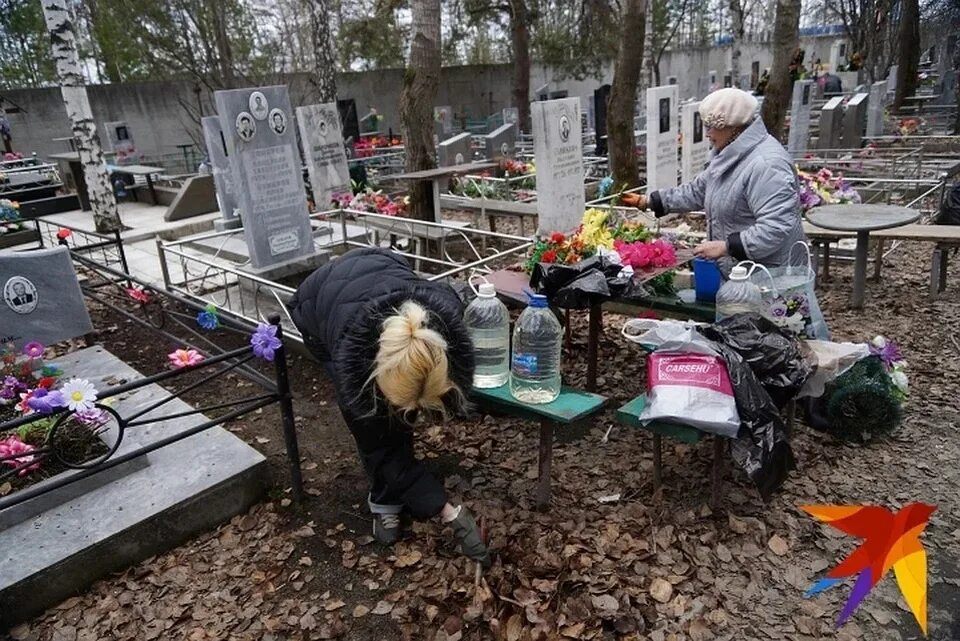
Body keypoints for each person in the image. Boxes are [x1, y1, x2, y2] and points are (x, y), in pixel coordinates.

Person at [289, 247, 491, 567]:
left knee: (395, 419)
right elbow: (381, 450)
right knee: (379, 430)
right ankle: (383, 503)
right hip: (317, 302)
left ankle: (403, 480)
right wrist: (448, 511)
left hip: (381, 264)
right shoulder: (352, 367)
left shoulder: (443, 317)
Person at [621, 88, 807, 275]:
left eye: (710, 127)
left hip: (772, 280)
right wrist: (649, 201)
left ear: (733, 126)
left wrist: (727, 247)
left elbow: (775, 227)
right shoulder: (729, 154)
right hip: (744, 275)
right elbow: (698, 190)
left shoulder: (767, 165)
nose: (707, 134)